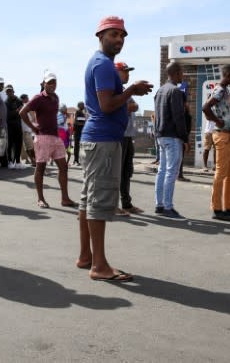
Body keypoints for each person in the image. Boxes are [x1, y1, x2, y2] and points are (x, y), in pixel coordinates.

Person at [76, 16, 152, 282]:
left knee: (88, 199)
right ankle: (99, 266)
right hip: (103, 142)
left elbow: (107, 103)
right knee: (98, 201)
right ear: (100, 36)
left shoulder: (101, 64)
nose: (119, 40)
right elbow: (107, 105)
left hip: (99, 140)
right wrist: (131, 89)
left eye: (122, 36)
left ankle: (86, 256)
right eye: (113, 35)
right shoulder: (103, 65)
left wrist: (129, 92)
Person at [20, 72, 78, 209]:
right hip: (43, 137)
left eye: (54, 82)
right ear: (43, 83)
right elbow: (22, 112)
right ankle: (40, 199)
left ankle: (65, 198)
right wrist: (33, 128)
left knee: (63, 167)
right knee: (41, 168)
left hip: (56, 137)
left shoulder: (56, 98)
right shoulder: (38, 98)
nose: (52, 85)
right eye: (49, 82)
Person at [202, 64, 230, 221]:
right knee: (221, 173)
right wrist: (216, 121)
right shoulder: (219, 90)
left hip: (228, 135)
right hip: (222, 136)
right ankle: (217, 209)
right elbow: (205, 107)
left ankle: (229, 207)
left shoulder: (226, 91)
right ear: (227, 75)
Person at [153, 62, 189, 219]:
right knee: (171, 172)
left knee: (162, 171)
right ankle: (168, 207)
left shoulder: (160, 90)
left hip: (160, 135)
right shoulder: (175, 91)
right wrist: (185, 137)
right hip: (173, 136)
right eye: (181, 73)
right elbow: (178, 117)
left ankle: (159, 205)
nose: (183, 75)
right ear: (176, 73)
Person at [115, 61, 143, 215]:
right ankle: (113, 205)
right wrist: (127, 107)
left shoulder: (124, 90)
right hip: (118, 136)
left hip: (128, 136)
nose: (128, 74)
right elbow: (113, 107)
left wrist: (127, 106)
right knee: (116, 172)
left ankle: (126, 203)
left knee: (126, 171)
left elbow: (135, 106)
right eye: (125, 71)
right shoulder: (113, 90)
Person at [4, 84, 25, 169]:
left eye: (10, 91)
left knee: (19, 144)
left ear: (13, 91)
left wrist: (18, 111)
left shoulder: (19, 100)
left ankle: (18, 162)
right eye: (7, 91)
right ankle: (10, 162)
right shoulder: (6, 102)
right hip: (9, 126)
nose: (9, 92)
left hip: (18, 125)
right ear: (6, 93)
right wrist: (17, 111)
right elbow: (8, 115)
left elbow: (22, 110)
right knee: (10, 144)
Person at [19, 94, 36, 165]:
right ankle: (33, 160)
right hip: (26, 130)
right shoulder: (22, 107)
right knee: (30, 147)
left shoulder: (26, 107)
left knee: (28, 147)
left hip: (27, 130)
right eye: (27, 98)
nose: (28, 99)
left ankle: (32, 160)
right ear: (24, 99)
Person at [73, 101, 87, 166]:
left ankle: (80, 160)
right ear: (79, 106)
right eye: (82, 105)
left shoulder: (83, 113)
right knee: (76, 146)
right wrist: (84, 124)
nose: (84, 106)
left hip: (82, 133)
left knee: (82, 147)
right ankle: (75, 160)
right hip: (77, 132)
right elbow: (75, 122)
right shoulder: (77, 112)